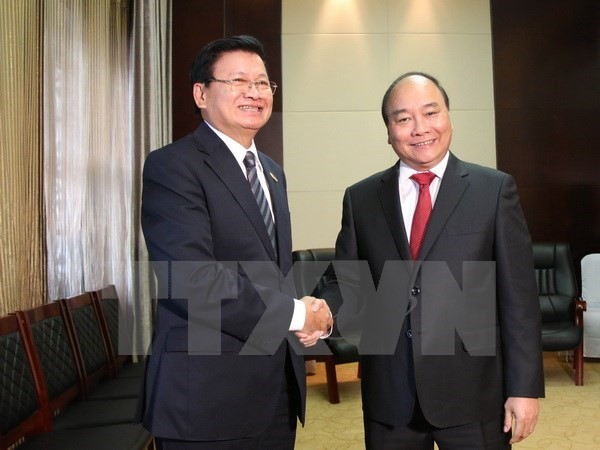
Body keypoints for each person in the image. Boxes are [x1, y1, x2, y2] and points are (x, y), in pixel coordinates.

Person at [321, 72, 544, 449]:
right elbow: (346, 280)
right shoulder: (360, 198)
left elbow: (519, 299)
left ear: (448, 117)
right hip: (391, 398)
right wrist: (318, 310)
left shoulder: (494, 190)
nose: (420, 128)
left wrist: (524, 389)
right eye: (403, 118)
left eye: (430, 112)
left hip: (475, 395)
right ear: (389, 130)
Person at [137, 35, 332, 449]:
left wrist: (305, 314)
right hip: (207, 400)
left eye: (263, 83)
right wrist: (296, 314)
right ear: (201, 93)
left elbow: (268, 273)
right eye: (238, 81)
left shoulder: (271, 171)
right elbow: (191, 281)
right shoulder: (173, 166)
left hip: (275, 390)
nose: (254, 93)